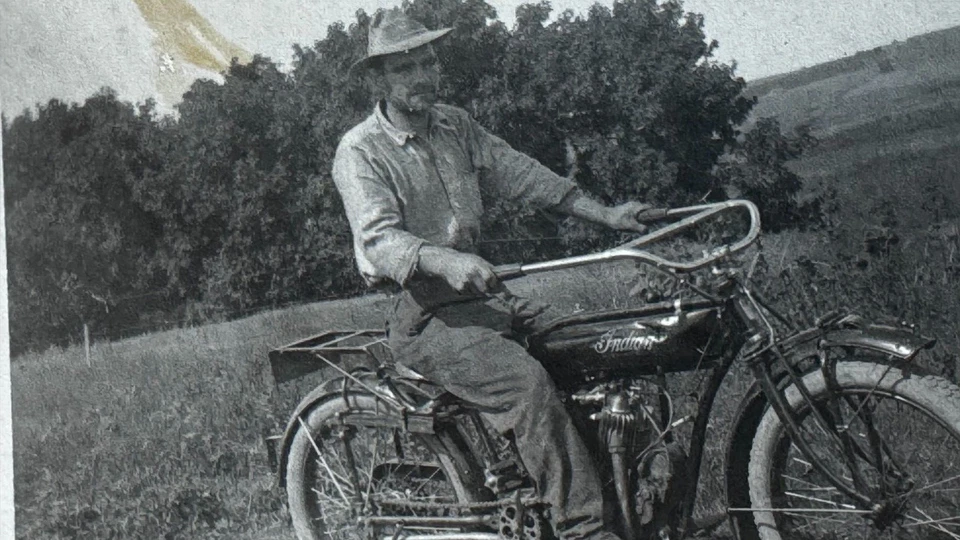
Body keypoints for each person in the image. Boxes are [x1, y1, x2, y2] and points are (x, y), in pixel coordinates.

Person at [332, 8, 651, 540]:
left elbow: (521, 172)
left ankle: (619, 499)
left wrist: (610, 215)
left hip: (486, 299)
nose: (422, 76)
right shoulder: (360, 149)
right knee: (526, 386)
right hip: (425, 312)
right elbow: (380, 240)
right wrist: (448, 261)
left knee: (592, 349)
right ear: (378, 80)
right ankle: (586, 530)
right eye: (404, 68)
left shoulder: (455, 123)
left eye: (427, 61)